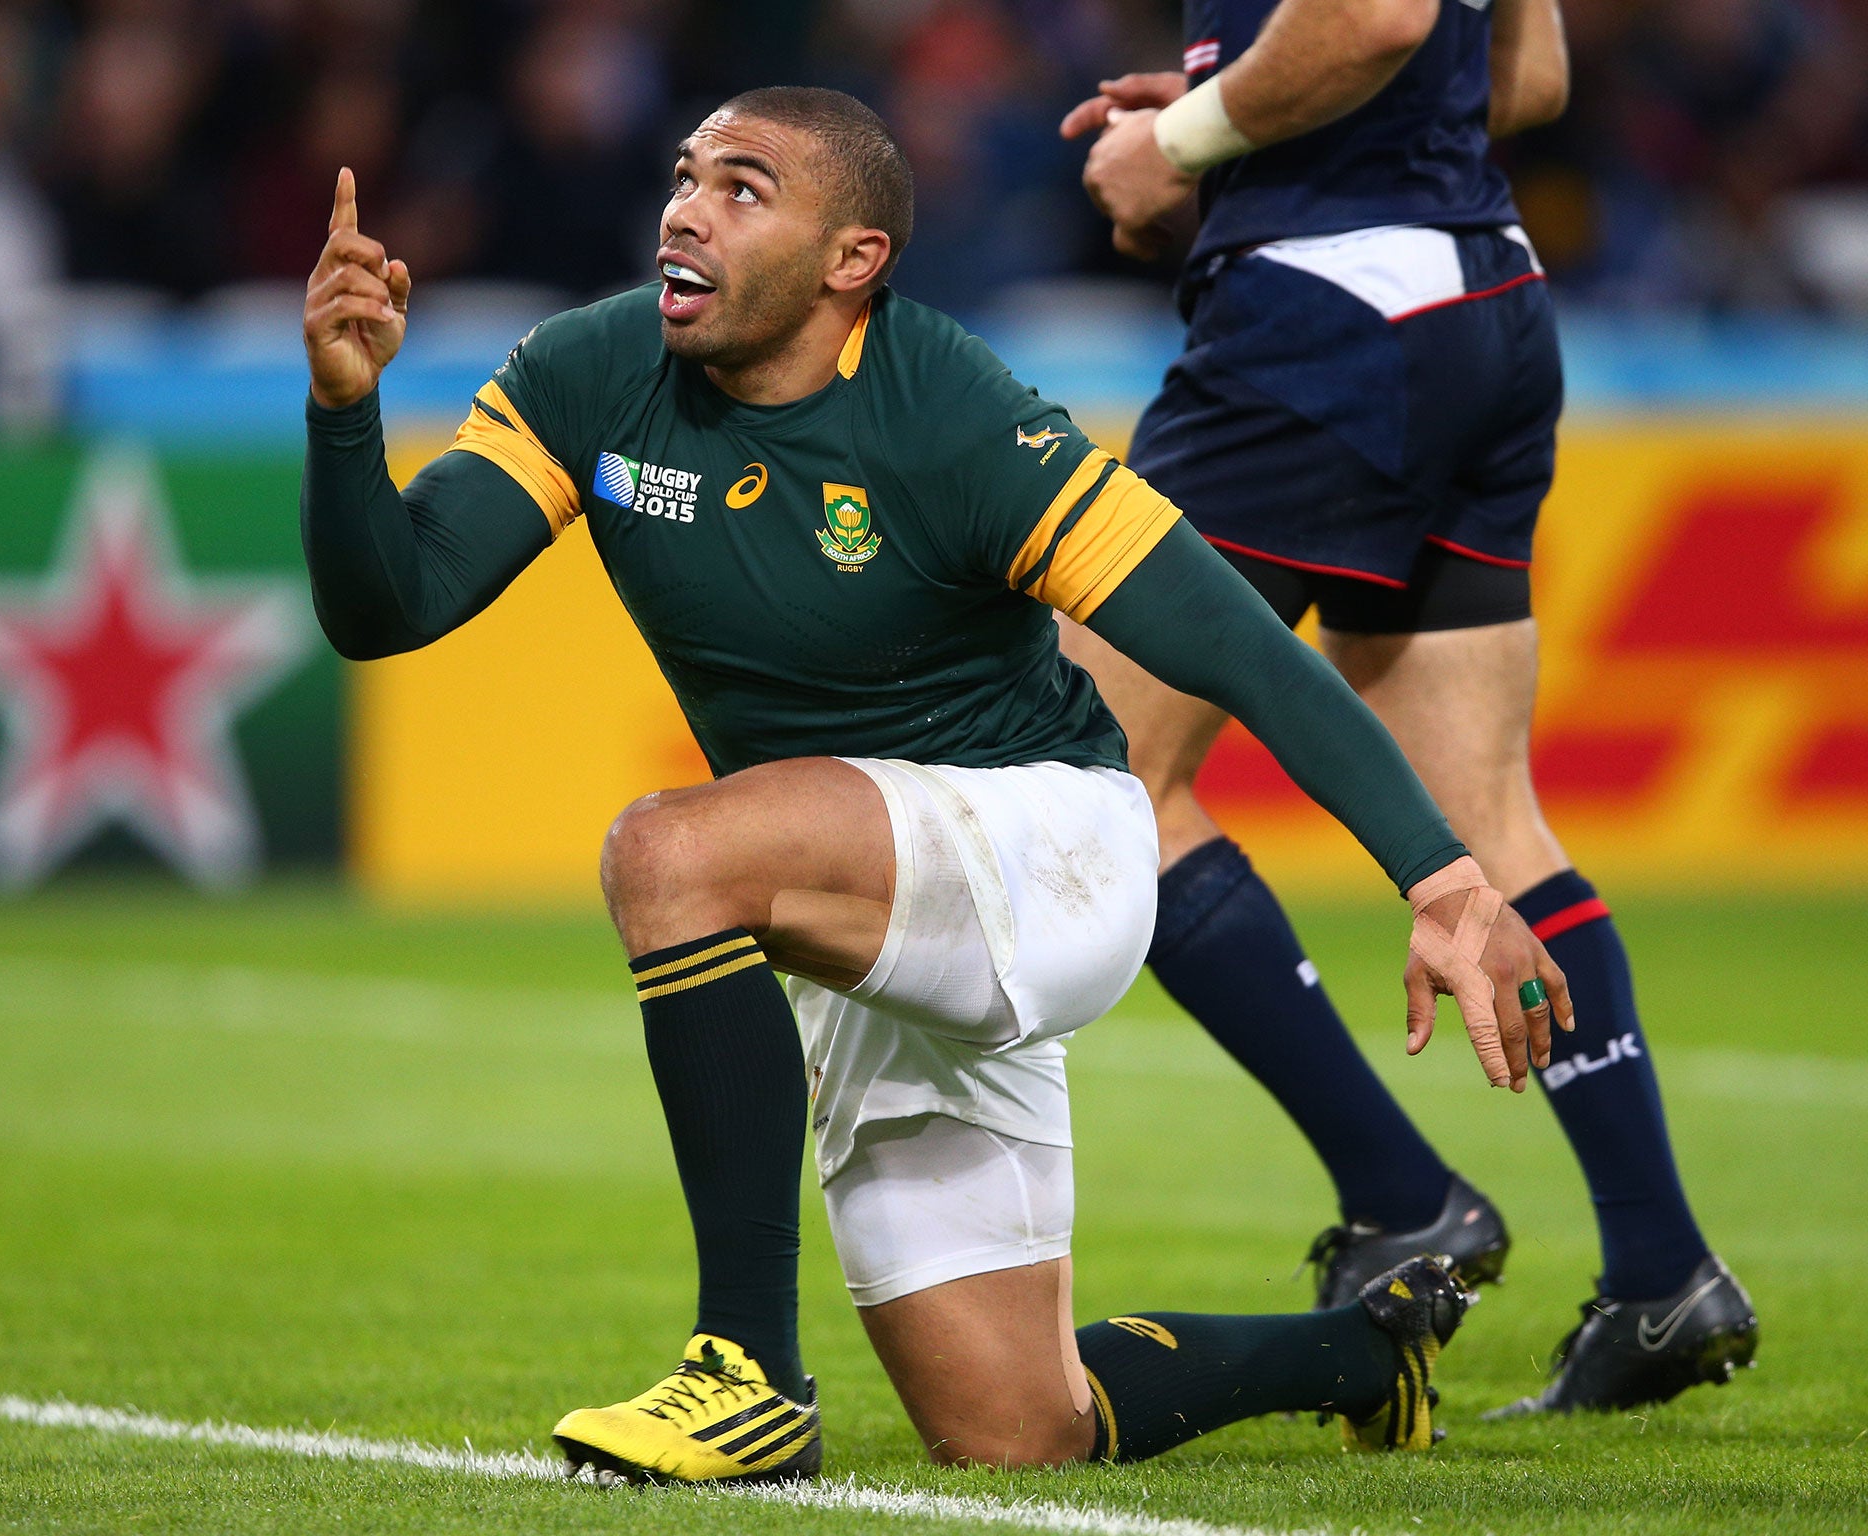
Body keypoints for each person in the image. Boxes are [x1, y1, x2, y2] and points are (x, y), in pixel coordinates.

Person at [298, 86, 1568, 1480]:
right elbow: (390, 606)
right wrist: (345, 414)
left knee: (669, 852)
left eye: (742, 186)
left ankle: (745, 1376)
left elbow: (1243, 654)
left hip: (1047, 848)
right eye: (683, 177)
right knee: (1017, 1432)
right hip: (869, 897)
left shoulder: (955, 415)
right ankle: (1358, 1354)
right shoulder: (587, 376)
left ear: (854, 263)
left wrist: (1443, 877)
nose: (684, 209)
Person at [1059, 0, 1757, 1416]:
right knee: (1491, 814)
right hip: (1482, 290)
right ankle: (1662, 1274)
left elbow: (1370, 16)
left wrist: (1191, 139)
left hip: (1325, 316)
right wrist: (1259, 96)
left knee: (1084, 771)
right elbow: (1529, 72)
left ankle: (1402, 1198)